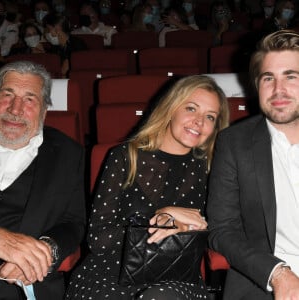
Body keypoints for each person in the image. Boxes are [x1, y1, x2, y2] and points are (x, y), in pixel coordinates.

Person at [65, 74, 230, 299]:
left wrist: (196, 227)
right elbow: (98, 239)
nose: (199, 122)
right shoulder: (125, 157)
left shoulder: (213, 168)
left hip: (177, 276)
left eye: (210, 116)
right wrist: (160, 216)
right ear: (171, 108)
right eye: (191, 108)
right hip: (110, 270)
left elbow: (221, 232)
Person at [207, 29, 299, 299]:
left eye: (291, 77)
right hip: (266, 276)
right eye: (268, 78)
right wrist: (277, 273)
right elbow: (222, 230)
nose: (278, 90)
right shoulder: (234, 142)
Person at [0, 60, 86, 299]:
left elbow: (73, 222)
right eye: (8, 94)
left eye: (29, 99)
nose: (15, 109)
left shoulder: (69, 153)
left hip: (25, 283)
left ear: (45, 111)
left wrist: (46, 251)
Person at [43, 13, 87, 78]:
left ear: (57, 29)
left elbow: (63, 71)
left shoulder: (77, 44)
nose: (46, 33)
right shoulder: (55, 46)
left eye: (48, 29)